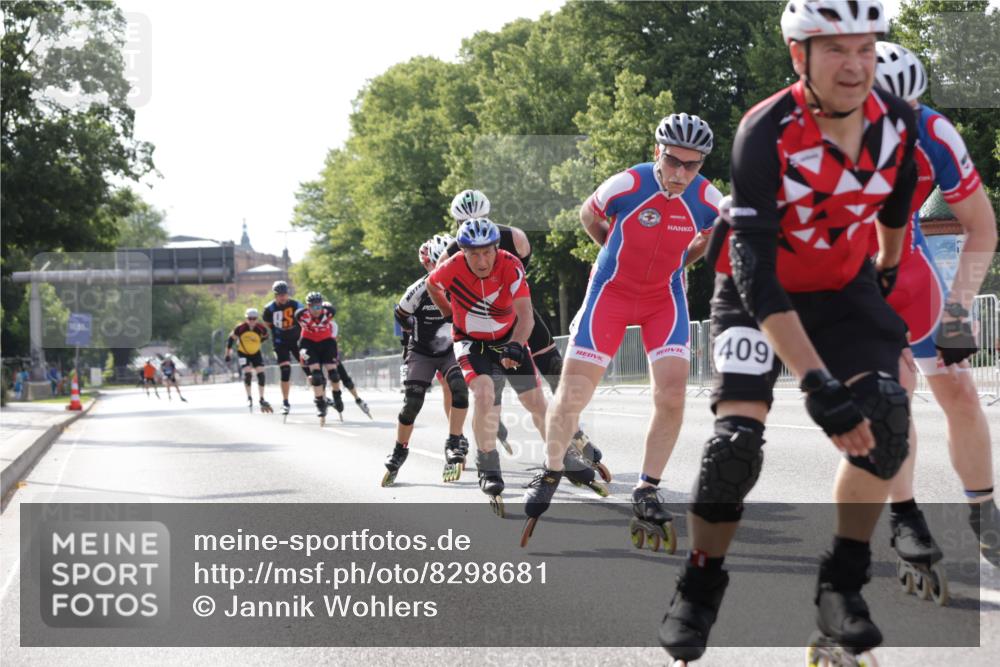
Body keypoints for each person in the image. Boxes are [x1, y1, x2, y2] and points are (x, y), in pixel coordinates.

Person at [658, 1, 918, 662]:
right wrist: (817, 382)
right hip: (755, 292)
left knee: (884, 418)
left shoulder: (896, 123)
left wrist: (884, 271)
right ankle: (699, 582)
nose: (856, 65)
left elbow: (894, 201)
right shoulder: (764, 131)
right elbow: (754, 273)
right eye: (836, 49)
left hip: (840, 289)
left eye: (866, 48)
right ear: (798, 56)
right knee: (734, 447)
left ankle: (842, 585)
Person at [519, 112, 721, 549]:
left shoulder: (708, 198)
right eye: (673, 161)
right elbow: (588, 215)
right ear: (657, 153)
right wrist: (610, 251)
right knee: (572, 395)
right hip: (610, 293)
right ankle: (553, 468)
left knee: (671, 395)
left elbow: (711, 236)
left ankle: (647, 489)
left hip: (663, 299)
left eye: (692, 164)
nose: (681, 173)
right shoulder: (628, 184)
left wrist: (680, 262)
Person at [874, 41, 1000, 572]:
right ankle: (905, 516)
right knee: (891, 401)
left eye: (911, 111)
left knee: (961, 391)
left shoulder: (935, 133)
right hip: (846, 277)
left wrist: (957, 309)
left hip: (911, 270)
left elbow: (981, 227)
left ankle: (983, 512)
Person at [444, 190, 606, 470]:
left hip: (519, 314)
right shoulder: (451, 254)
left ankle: (573, 428)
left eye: (480, 218)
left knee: (554, 368)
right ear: (456, 223)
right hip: (486, 329)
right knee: (492, 386)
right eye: (463, 223)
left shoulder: (515, 238)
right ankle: (489, 443)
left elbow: (520, 280)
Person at [427, 218, 550, 517]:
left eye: (487, 252)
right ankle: (487, 463)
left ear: (497, 247)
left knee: (536, 403)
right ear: (463, 252)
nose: (481, 261)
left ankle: (556, 462)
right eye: (473, 254)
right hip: (471, 342)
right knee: (483, 395)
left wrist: (516, 345)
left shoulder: (510, 264)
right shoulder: (452, 265)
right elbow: (433, 284)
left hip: (509, 338)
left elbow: (526, 316)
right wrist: (447, 312)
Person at [382, 234, 471, 487]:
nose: (444, 266)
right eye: (438, 262)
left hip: (450, 350)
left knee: (459, 389)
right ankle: (400, 450)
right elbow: (400, 314)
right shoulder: (418, 290)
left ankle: (454, 442)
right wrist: (414, 334)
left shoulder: (463, 282)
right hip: (421, 351)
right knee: (412, 404)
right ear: (429, 264)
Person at [293, 292, 341, 423]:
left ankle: (337, 396)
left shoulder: (329, 312)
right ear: (308, 307)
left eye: (319, 307)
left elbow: (330, 323)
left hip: (326, 342)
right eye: (313, 307)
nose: (317, 310)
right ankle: (320, 404)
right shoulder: (300, 315)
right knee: (316, 375)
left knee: (334, 374)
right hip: (308, 342)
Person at [262, 280, 304, 416]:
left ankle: (321, 396)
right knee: (285, 369)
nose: (283, 297)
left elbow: (305, 321)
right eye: (280, 295)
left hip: (297, 340)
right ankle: (285, 402)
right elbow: (269, 324)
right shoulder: (269, 309)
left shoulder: (297, 305)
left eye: (285, 294)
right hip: (280, 342)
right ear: (275, 295)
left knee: (309, 366)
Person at [225, 308, 273, 413]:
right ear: (246, 318)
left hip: (256, 353)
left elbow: (266, 336)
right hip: (243, 353)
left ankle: (261, 398)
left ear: (257, 319)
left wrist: (259, 342)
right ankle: (249, 397)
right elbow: (230, 339)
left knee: (261, 374)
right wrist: (227, 353)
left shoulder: (260, 328)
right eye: (249, 318)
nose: (252, 321)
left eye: (254, 319)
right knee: (248, 373)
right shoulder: (240, 328)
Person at [333, 350, 372, 419]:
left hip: (330, 356)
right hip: (316, 357)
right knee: (318, 379)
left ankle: (358, 400)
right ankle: (324, 400)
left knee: (346, 380)